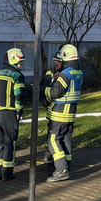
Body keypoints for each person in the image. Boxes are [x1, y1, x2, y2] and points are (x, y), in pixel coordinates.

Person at [44, 43, 84, 183]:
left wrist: (45, 90)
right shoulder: (79, 73)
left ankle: (61, 171)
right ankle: (67, 166)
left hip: (60, 114)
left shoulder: (65, 74)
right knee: (66, 140)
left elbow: (55, 93)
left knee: (53, 140)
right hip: (70, 114)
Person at [0, 48, 25, 181]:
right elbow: (19, 96)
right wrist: (18, 111)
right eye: (20, 62)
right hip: (10, 112)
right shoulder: (17, 76)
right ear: (13, 60)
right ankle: (7, 173)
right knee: (9, 142)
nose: (21, 65)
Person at [42, 49, 64, 164]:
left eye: (58, 61)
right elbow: (46, 85)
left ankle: (54, 157)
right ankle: (49, 153)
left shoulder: (65, 74)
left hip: (61, 109)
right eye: (55, 61)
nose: (56, 63)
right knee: (51, 132)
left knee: (57, 135)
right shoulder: (51, 71)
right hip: (52, 108)